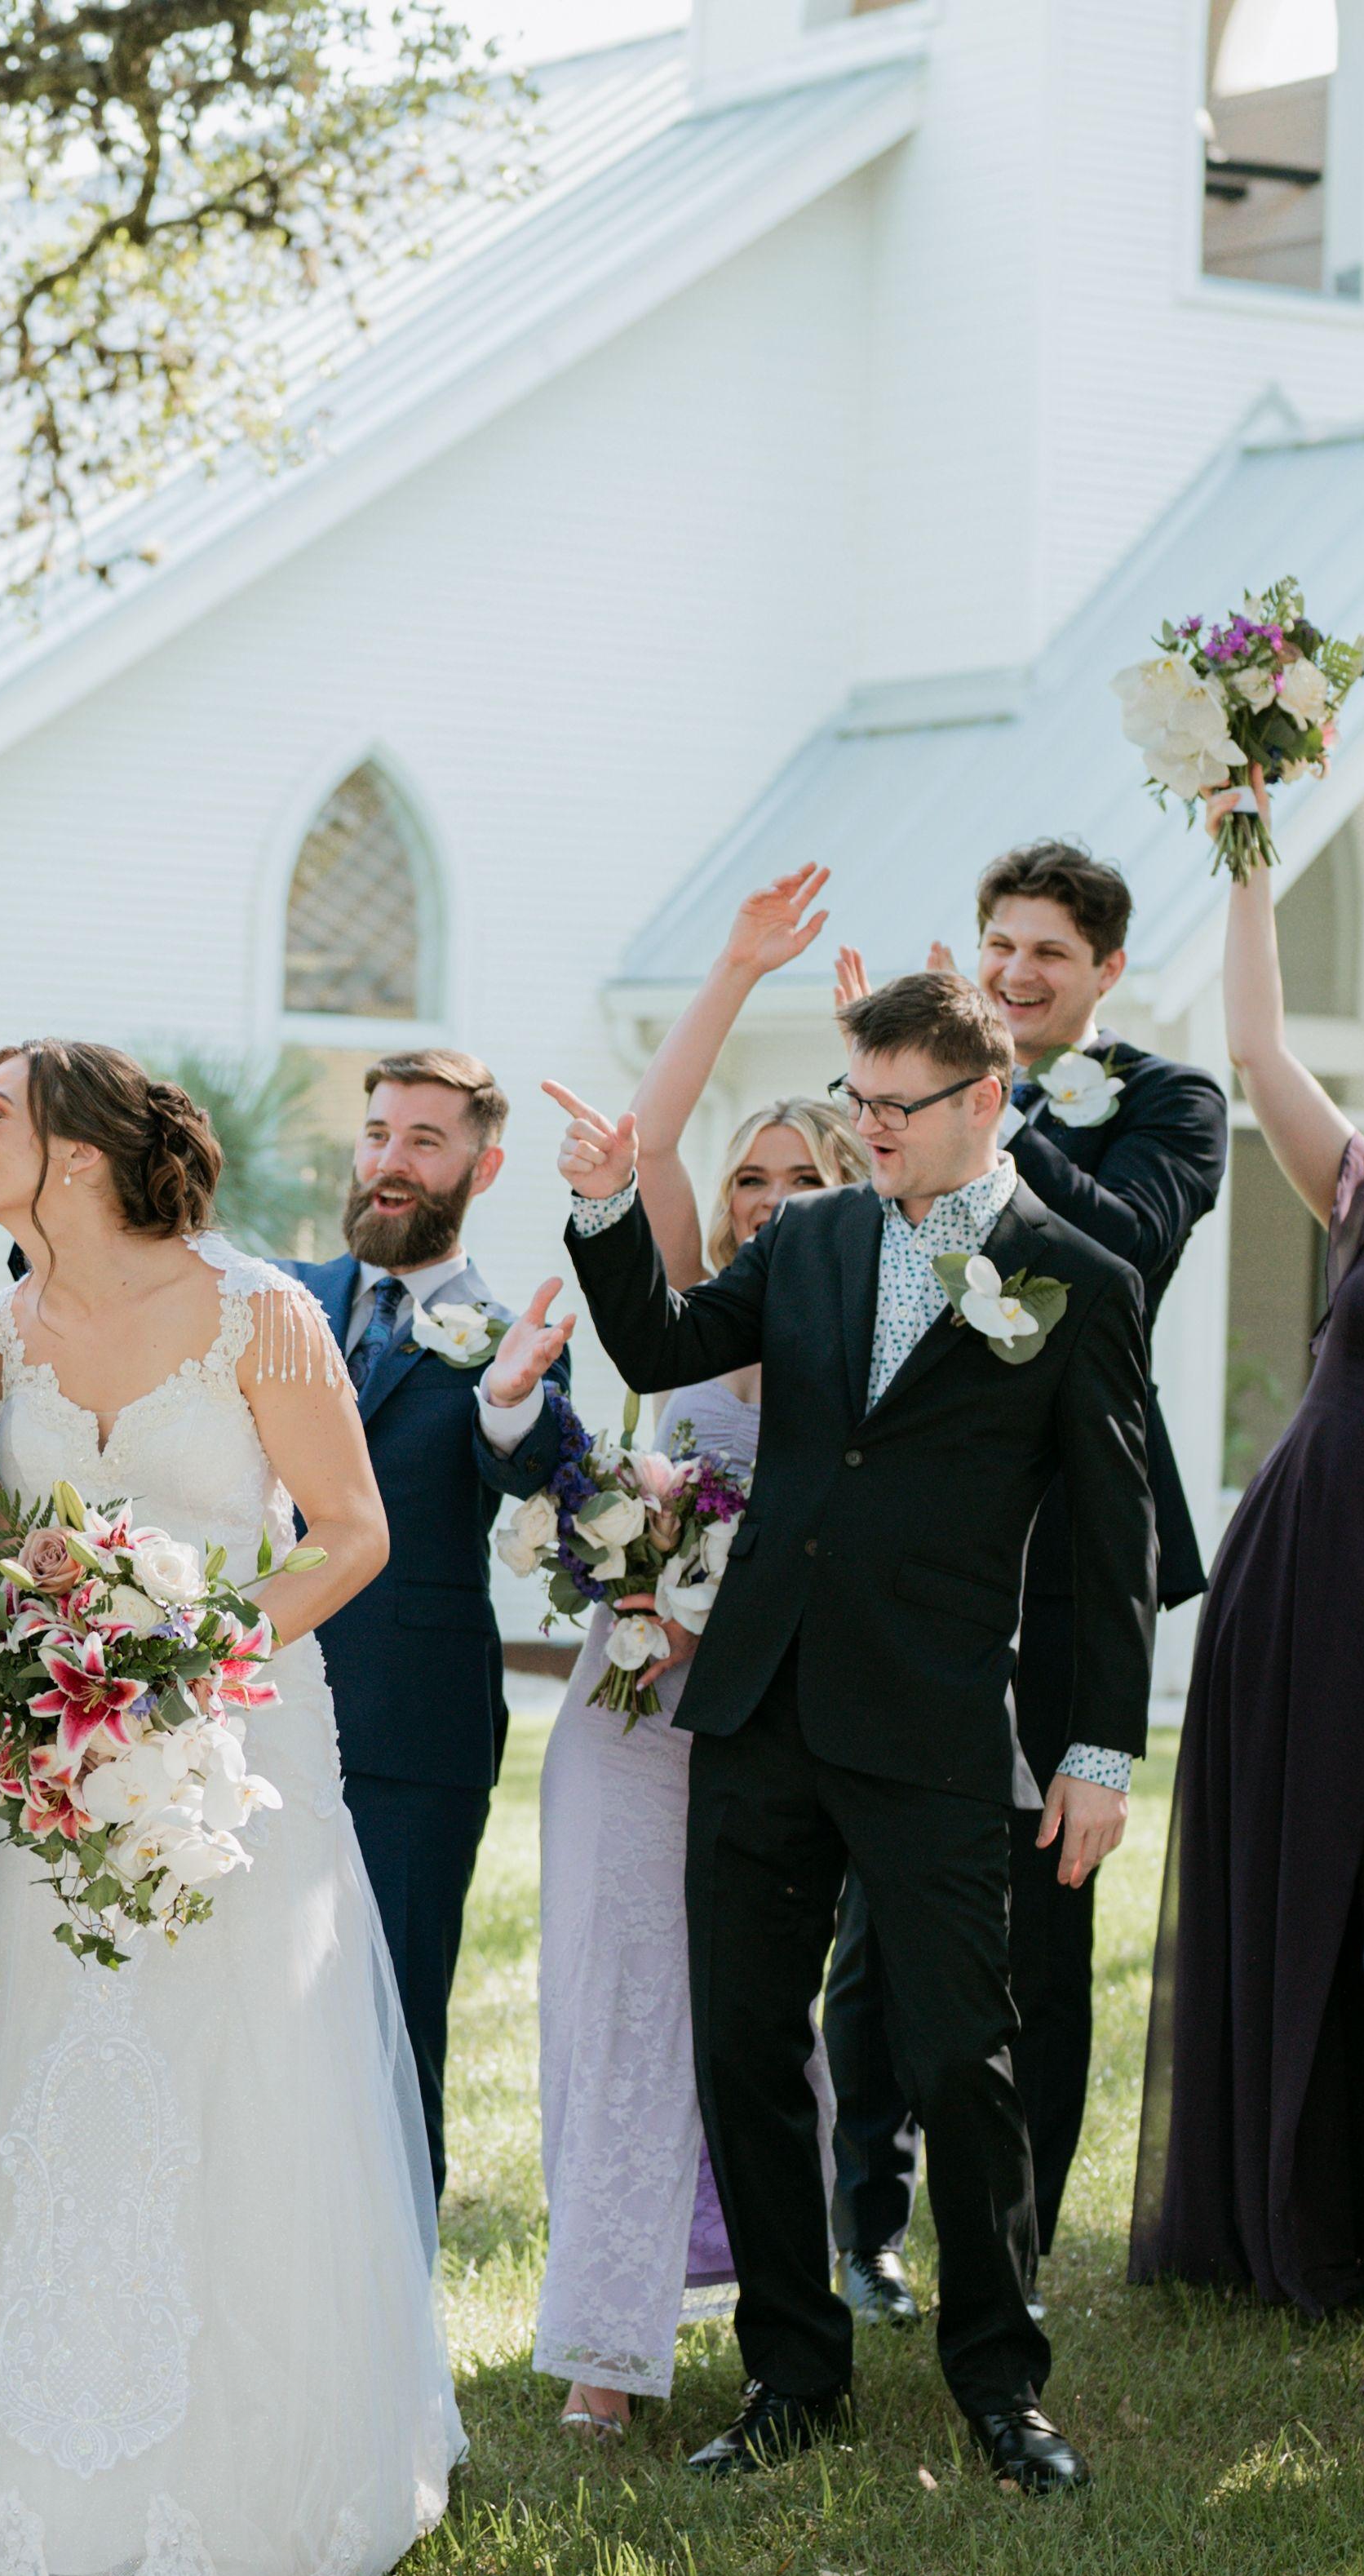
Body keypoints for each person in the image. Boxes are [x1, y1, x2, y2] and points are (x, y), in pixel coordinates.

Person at [0, 1041, 464, 2576]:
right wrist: (37, 1690)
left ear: (79, 1153)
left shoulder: (258, 1311)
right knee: (52, 2080)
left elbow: (350, 1534)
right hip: (57, 1764)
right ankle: (24, 2483)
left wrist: (185, 1670)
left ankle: (249, 2479)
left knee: (239, 2077)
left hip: (239, 1748)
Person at [547, 967, 1155, 2493]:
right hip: (758, 1707)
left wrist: (1095, 1754)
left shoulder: (1078, 1279)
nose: (869, 1129)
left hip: (933, 1722)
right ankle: (790, 2376)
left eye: (897, 1106)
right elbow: (658, 1347)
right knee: (748, 2047)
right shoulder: (809, 1239)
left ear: (983, 1101)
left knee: (962, 2060)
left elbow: (1112, 1540)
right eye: (858, 1100)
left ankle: (1000, 2385)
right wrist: (610, 1205)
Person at [824, 845, 1226, 2325]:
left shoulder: (1173, 1105)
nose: (1013, 971)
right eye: (997, 944)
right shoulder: (917, 1097)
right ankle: (867, 2227)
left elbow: (1121, 1244)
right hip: (916, 1561)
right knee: (878, 1908)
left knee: (1042, 1926)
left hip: (1066, 1564)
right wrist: (912, 1102)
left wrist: (985, 1114)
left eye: (1048, 951)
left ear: (1105, 968)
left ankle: (1014, 2244)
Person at [529, 871, 864, 2438]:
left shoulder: (871, 1334)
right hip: (627, 1707)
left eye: (805, 1177)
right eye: (753, 1177)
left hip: (763, 1722)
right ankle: (604, 2344)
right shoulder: (698, 1310)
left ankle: (783, 2294)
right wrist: (731, 971)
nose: (767, 1202)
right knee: (613, 2006)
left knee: (746, 2015)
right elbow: (643, 1151)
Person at [1132, 775, 1364, 2312]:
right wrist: (1245, 855)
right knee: (1314, 1890)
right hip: (1324, 1568)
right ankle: (1302, 2204)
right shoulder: (1361, 1182)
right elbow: (1258, 1047)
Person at [278, 1049, 569, 2196]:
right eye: (378, 1134)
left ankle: (395, 2265)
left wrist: (507, 1404)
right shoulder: (277, 1299)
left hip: (413, 1728)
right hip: (254, 1707)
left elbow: (537, 1475)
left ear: (481, 1169)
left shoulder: (508, 1337)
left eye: (424, 1141)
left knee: (394, 2014)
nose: (390, 1163)